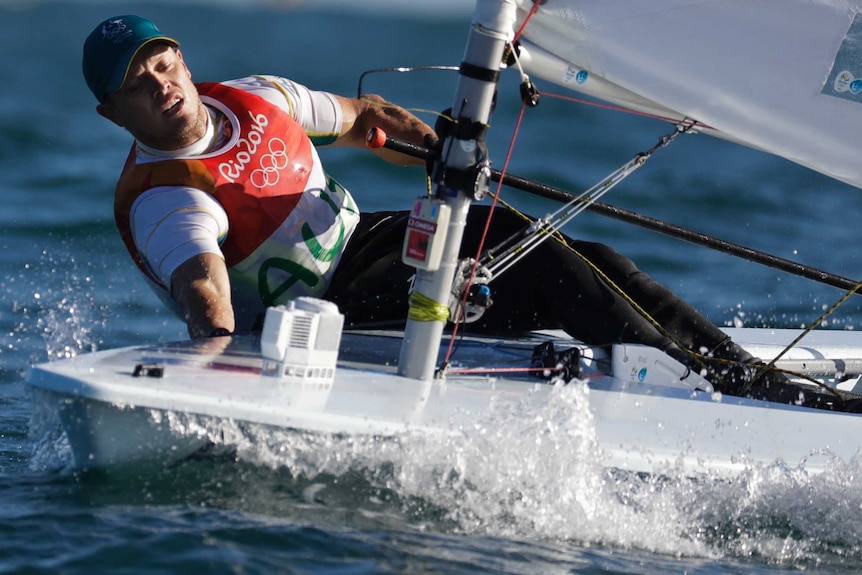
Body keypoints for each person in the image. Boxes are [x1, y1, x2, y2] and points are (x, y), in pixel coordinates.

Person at [83, 15, 860, 412]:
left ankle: (732, 371)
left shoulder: (258, 96)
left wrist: (437, 151)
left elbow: (361, 119)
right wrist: (210, 385)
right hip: (332, 312)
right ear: (112, 111)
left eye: (163, 60)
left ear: (181, 58)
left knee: (569, 252)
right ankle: (728, 385)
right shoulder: (168, 197)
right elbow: (207, 299)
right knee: (542, 263)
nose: (161, 82)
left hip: (374, 242)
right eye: (136, 81)